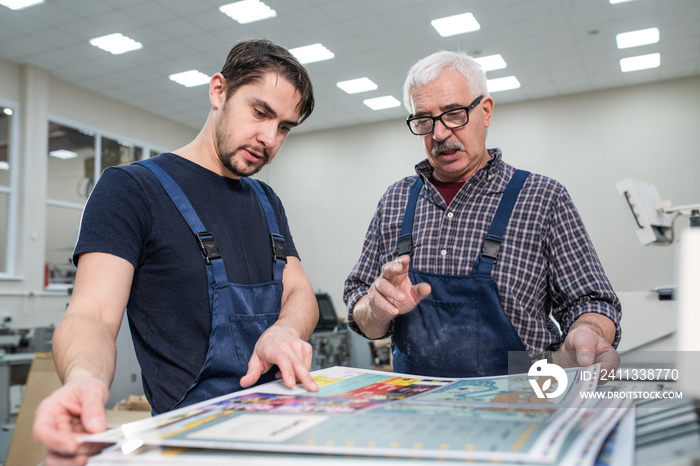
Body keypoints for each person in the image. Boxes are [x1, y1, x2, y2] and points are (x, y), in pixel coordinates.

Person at [33, 39, 320, 464]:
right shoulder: (131, 190)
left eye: (284, 127)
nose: (269, 139)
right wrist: (85, 379)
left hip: (279, 432)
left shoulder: (266, 200)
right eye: (260, 113)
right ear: (218, 91)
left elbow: (300, 294)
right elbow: (90, 314)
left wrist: (285, 331)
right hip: (190, 445)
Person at [343, 50, 621, 379]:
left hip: (521, 406)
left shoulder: (543, 198)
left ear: (485, 111)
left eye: (454, 113)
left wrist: (587, 331)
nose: (440, 134)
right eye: (424, 120)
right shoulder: (396, 200)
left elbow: (592, 301)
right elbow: (359, 303)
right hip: (417, 408)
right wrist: (375, 310)